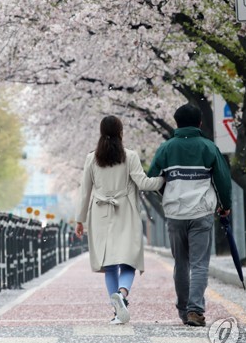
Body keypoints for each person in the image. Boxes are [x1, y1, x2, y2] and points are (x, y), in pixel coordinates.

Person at [147, 103, 231, 327]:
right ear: (200, 123)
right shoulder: (208, 147)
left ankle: (184, 310)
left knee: (181, 264)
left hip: (175, 214)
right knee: (200, 264)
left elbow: (152, 177)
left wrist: (167, 192)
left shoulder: (165, 149)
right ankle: (195, 309)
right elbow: (222, 179)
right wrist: (225, 205)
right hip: (201, 212)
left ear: (176, 122)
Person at [76, 115, 164, 324]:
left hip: (100, 214)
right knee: (128, 260)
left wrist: (80, 220)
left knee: (109, 264)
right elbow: (143, 183)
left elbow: (84, 192)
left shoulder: (92, 158)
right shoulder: (130, 156)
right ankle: (122, 295)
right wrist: (164, 178)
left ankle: (117, 311)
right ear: (121, 132)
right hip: (125, 212)